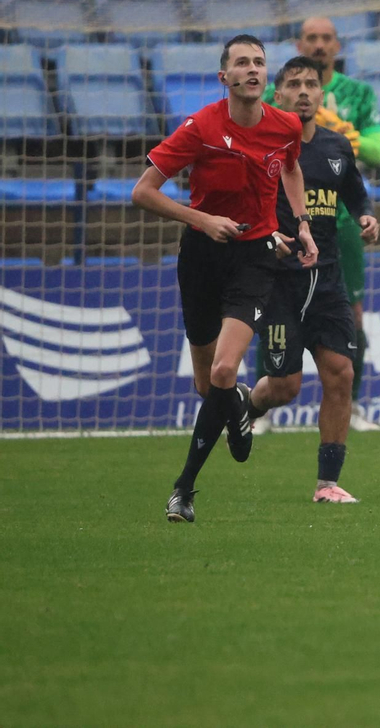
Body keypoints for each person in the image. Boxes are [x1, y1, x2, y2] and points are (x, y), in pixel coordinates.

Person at [131, 35, 316, 523]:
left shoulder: (286, 125)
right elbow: (143, 192)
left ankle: (183, 490)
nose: (252, 69)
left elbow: (291, 169)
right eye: (242, 63)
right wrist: (201, 219)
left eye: (259, 62)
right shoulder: (201, 128)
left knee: (221, 370)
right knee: (206, 384)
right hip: (201, 256)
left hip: (254, 257)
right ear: (224, 77)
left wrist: (300, 222)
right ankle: (235, 405)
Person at [242, 56, 379, 503]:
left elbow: (355, 193)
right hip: (279, 281)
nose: (304, 91)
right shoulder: (261, 147)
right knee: (285, 387)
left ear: (322, 94)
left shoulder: (337, 146)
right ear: (277, 94)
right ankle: (247, 405)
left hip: (328, 278)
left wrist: (365, 215)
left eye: (311, 84)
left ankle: (327, 484)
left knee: (340, 374)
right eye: (294, 84)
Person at [285, 16, 380, 431]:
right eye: (311, 38)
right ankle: (266, 405)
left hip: (340, 220)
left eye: (327, 38)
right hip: (284, 220)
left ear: (337, 46)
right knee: (273, 308)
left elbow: (377, 152)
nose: (319, 45)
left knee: (352, 312)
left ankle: (353, 404)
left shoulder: (358, 93)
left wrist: (343, 133)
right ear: (299, 44)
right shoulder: (278, 93)